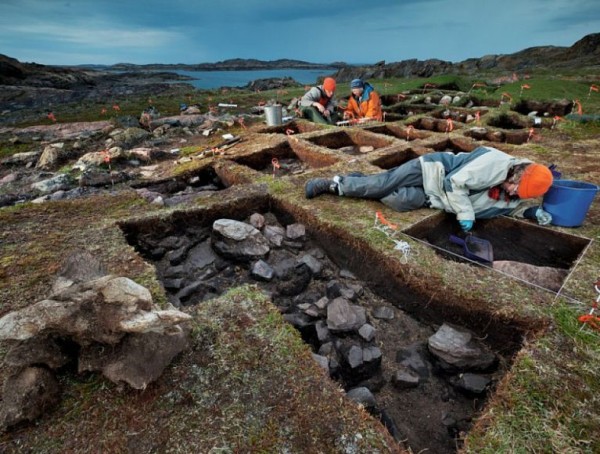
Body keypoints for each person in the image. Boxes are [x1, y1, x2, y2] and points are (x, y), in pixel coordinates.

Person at [304, 146, 554, 231]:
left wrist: (530, 213)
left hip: (434, 197)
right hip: (432, 171)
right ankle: (334, 185)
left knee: (398, 201)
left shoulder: (513, 193)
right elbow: (454, 182)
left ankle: (361, 181)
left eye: (518, 195)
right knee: (384, 184)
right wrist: (466, 214)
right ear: (517, 173)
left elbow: (510, 209)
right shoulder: (495, 163)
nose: (512, 194)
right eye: (514, 189)